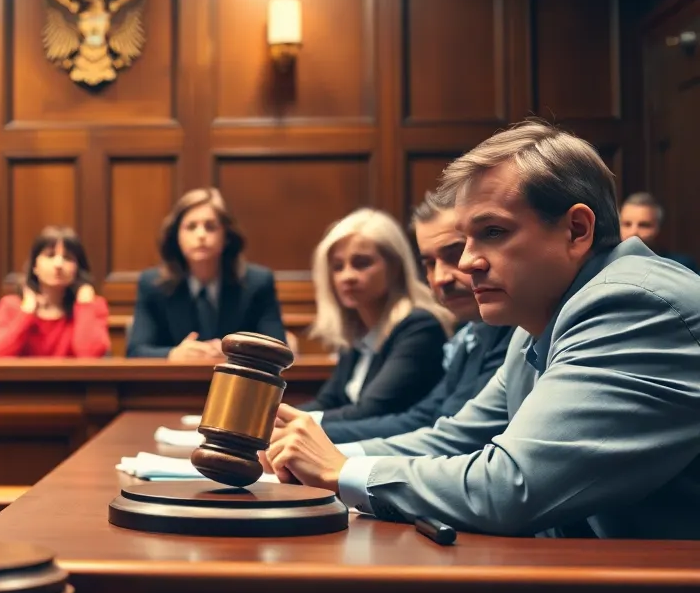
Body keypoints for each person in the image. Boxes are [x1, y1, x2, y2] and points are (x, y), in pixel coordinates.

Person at [263, 119, 700, 539]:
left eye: (493, 231)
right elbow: (455, 439)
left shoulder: (634, 305)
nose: (468, 261)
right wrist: (327, 458)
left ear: (576, 229)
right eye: (467, 239)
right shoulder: (537, 318)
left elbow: (510, 486)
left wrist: (340, 471)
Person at [306, 195, 513, 443]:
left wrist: (309, 436)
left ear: (395, 267)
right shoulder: (474, 331)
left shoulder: (422, 326)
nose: (440, 278)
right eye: (429, 263)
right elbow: (429, 419)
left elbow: (454, 437)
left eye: (454, 254)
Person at [296, 208, 453, 421]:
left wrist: (297, 423)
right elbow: (329, 401)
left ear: (395, 267)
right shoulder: (357, 330)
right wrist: (275, 417)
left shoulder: (419, 327)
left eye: (361, 263)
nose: (347, 276)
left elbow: (370, 411)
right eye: (338, 267)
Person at [127, 188, 286, 361]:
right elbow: (136, 351)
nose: (201, 235)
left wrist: (233, 353)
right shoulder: (153, 285)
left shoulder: (257, 284)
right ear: (176, 237)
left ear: (226, 236)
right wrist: (173, 354)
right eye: (191, 227)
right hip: (175, 386)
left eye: (210, 227)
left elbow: (277, 350)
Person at [0, 226, 110, 358]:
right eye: (50, 255)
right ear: (34, 266)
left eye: (67, 257)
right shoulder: (11, 306)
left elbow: (90, 356)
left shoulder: (93, 307)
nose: (58, 264)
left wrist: (85, 305)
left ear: (78, 269)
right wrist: (27, 312)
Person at [618, 191, 699, 273]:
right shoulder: (607, 263)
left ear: (659, 228)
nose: (633, 232)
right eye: (626, 224)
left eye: (644, 225)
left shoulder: (682, 266)